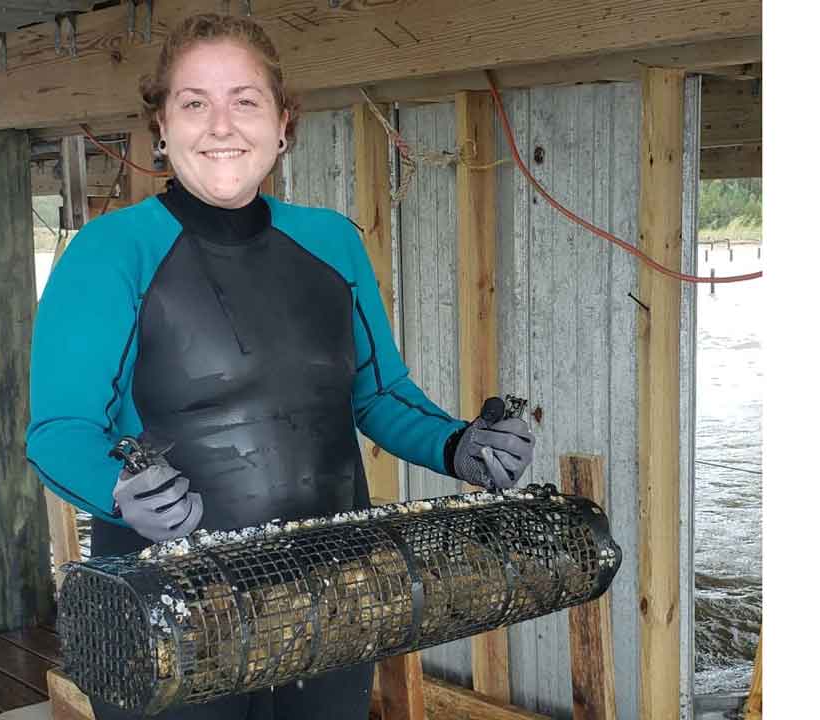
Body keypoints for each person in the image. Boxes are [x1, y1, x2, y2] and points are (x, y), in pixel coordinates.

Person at [27, 13, 535, 720]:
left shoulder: (331, 241)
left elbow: (379, 394)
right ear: (162, 127)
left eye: (245, 100)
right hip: (164, 607)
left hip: (330, 596)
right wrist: (118, 491)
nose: (221, 125)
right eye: (194, 103)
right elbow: (58, 432)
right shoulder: (110, 252)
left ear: (282, 123)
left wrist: (458, 445)